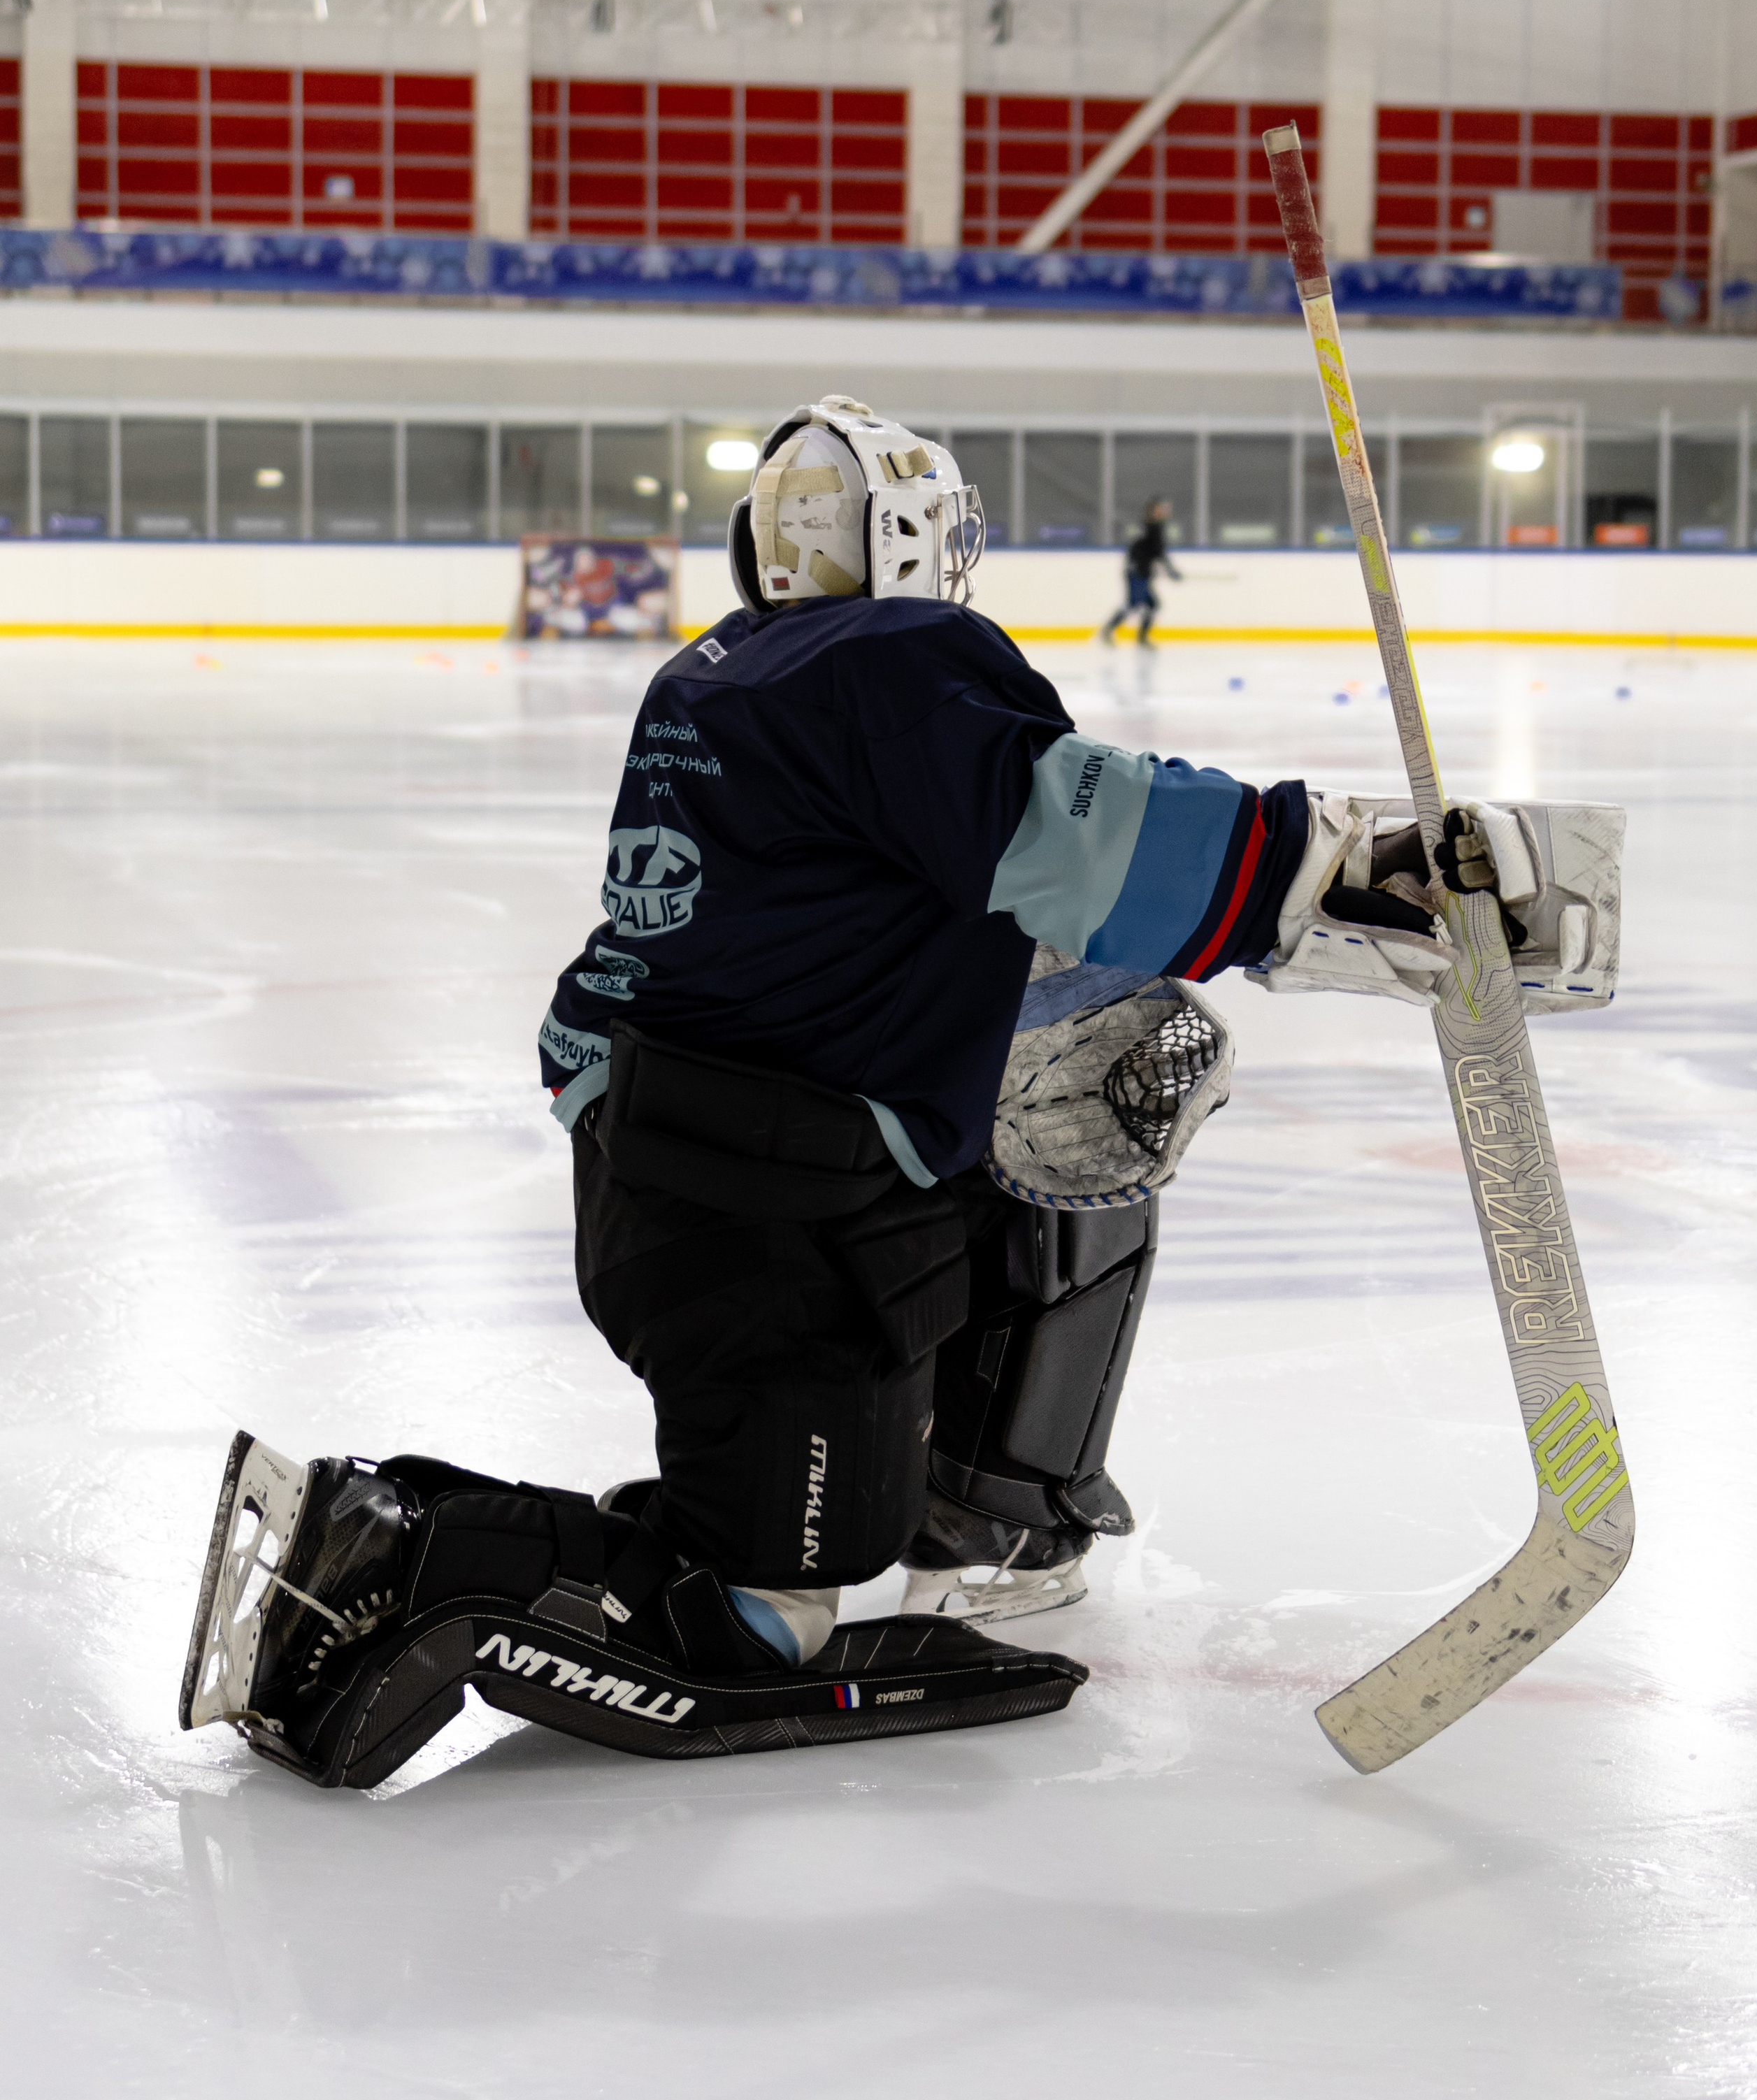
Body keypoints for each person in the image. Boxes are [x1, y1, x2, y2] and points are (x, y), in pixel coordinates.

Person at [178, 396, 1601, 1792]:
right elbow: (1078, 834)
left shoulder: (717, 675)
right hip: (778, 1222)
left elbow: (829, 898)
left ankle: (967, 1505)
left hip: (669, 1181)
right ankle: (403, 1562)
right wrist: (1344, 866)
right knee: (764, 1608)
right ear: (911, 535)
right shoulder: (895, 661)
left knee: (1062, 1109)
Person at [1101, 496, 1182, 646]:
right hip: (1137, 572)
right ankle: (1109, 630)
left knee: (1152, 604)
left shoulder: (1153, 527)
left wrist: (1167, 569)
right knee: (1134, 604)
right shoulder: (1151, 528)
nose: (1165, 511)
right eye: (1161, 508)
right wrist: (1170, 570)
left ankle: (1141, 637)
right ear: (1154, 510)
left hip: (1142, 572)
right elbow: (1158, 552)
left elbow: (1154, 552)